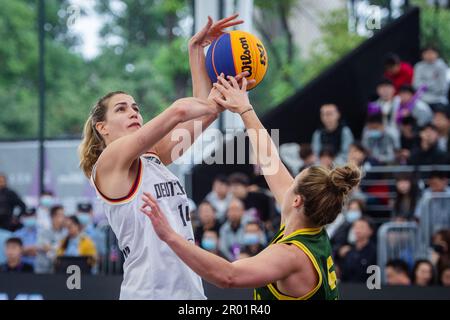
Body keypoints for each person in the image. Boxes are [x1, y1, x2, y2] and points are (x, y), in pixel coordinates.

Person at [141, 74, 362, 300]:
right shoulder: (307, 226)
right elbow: (270, 160)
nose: (287, 181)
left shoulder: (290, 255)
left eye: (293, 181)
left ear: (297, 200)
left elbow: (229, 276)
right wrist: (245, 109)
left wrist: (169, 236)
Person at [78, 15, 246, 300]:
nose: (133, 111)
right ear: (102, 127)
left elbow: (202, 115)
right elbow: (182, 111)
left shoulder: (154, 156)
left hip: (189, 293)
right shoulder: (108, 163)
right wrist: (213, 102)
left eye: (135, 107)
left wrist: (196, 49)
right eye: (121, 109)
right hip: (149, 294)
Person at [339, 217, 377, 283]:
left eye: (362, 227)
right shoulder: (348, 251)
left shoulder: (375, 252)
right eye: (355, 227)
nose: (357, 230)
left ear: (371, 231)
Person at [35, 205, 67, 274]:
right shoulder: (44, 232)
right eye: (60, 215)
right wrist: (57, 248)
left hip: (60, 270)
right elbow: (44, 247)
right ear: (53, 217)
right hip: (43, 270)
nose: (63, 218)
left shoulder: (66, 233)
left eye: (63, 215)